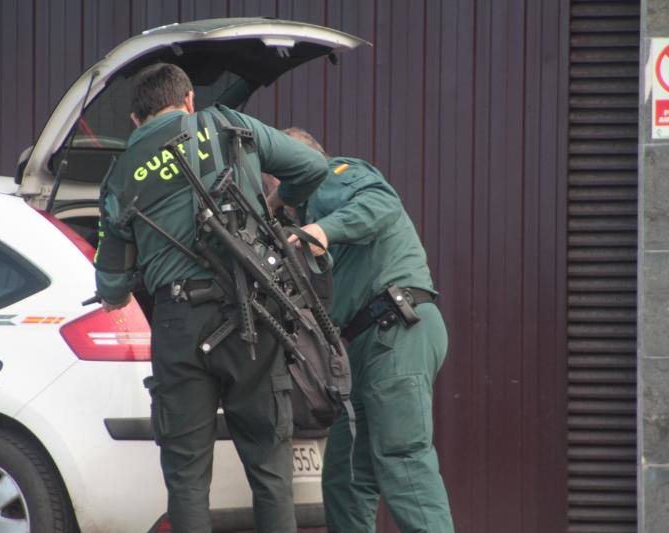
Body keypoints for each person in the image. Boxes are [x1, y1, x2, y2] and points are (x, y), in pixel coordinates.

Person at [92, 63, 328, 532]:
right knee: (270, 472)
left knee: (186, 480)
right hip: (253, 316)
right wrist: (276, 208)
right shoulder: (227, 124)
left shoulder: (118, 178)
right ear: (187, 102)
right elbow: (313, 166)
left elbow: (111, 287)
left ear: (136, 121)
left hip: (179, 326)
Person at [273, 128, 455, 532]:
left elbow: (381, 203)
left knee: (403, 459)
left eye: (272, 175)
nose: (271, 189)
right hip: (365, 344)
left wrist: (322, 230)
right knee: (346, 477)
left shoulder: (330, 175)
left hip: (395, 329)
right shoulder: (305, 215)